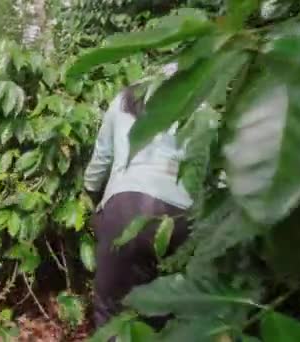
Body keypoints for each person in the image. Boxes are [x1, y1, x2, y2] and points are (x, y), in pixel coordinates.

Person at [84, 63, 193, 328]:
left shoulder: (123, 99)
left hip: (125, 207)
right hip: (182, 215)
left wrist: (89, 192)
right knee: (167, 316)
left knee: (111, 314)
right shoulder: (198, 103)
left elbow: (102, 158)